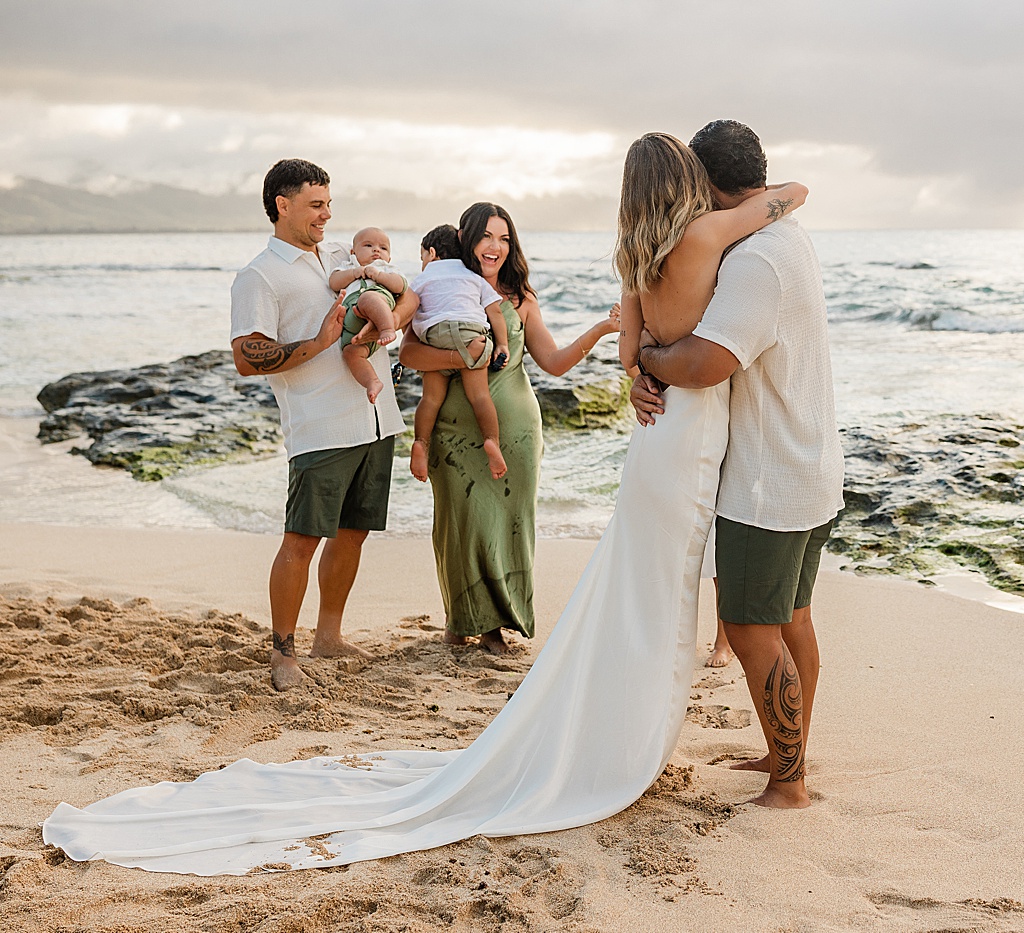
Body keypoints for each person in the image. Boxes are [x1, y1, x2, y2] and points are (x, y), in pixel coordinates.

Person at [40, 129, 806, 874]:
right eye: (315, 202)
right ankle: (699, 745)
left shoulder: (634, 258)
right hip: (683, 437)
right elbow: (788, 196)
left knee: (640, 582)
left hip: (653, 441)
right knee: (660, 585)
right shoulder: (710, 238)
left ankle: (628, 717)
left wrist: (649, 370)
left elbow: (630, 355)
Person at [631, 120, 844, 809]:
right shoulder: (787, 237)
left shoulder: (755, 261)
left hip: (767, 479)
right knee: (792, 618)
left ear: (709, 185)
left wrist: (647, 361)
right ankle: (790, 753)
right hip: (808, 464)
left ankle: (790, 783)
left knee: (753, 625)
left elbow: (709, 360)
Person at [398, 203, 620, 654]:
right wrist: (465, 357)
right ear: (465, 239)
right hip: (451, 433)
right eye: (486, 236)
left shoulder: (521, 301)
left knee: (507, 524)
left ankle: (495, 625)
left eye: (503, 238)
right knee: (460, 525)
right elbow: (409, 355)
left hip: (515, 430)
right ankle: (461, 619)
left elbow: (554, 364)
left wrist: (600, 329)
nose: (495, 247)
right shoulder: (444, 290)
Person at [227, 159, 413, 692]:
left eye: (329, 204)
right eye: (316, 205)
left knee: (354, 533)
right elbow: (246, 356)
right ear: (282, 205)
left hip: (376, 419)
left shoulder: (337, 256)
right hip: (320, 427)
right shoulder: (259, 275)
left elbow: (401, 292)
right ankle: (283, 651)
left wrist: (391, 320)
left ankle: (327, 635)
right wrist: (320, 343)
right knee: (301, 540)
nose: (326, 215)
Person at [405, 221, 512, 482]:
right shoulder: (472, 277)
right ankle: (491, 441)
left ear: (431, 253)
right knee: (480, 397)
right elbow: (494, 311)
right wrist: (502, 344)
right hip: (469, 333)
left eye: (422, 257)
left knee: (430, 398)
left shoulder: (423, 278)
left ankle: (420, 443)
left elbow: (408, 307)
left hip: (433, 336)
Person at [327, 226, 415, 404]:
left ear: (389, 257)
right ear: (353, 252)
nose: (376, 250)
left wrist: (380, 276)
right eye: (368, 245)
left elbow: (401, 286)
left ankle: (387, 329)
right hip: (353, 319)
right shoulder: (349, 266)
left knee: (368, 298)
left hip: (377, 300)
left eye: (383, 248)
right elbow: (333, 282)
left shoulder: (387, 268)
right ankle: (372, 382)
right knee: (350, 353)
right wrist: (353, 273)